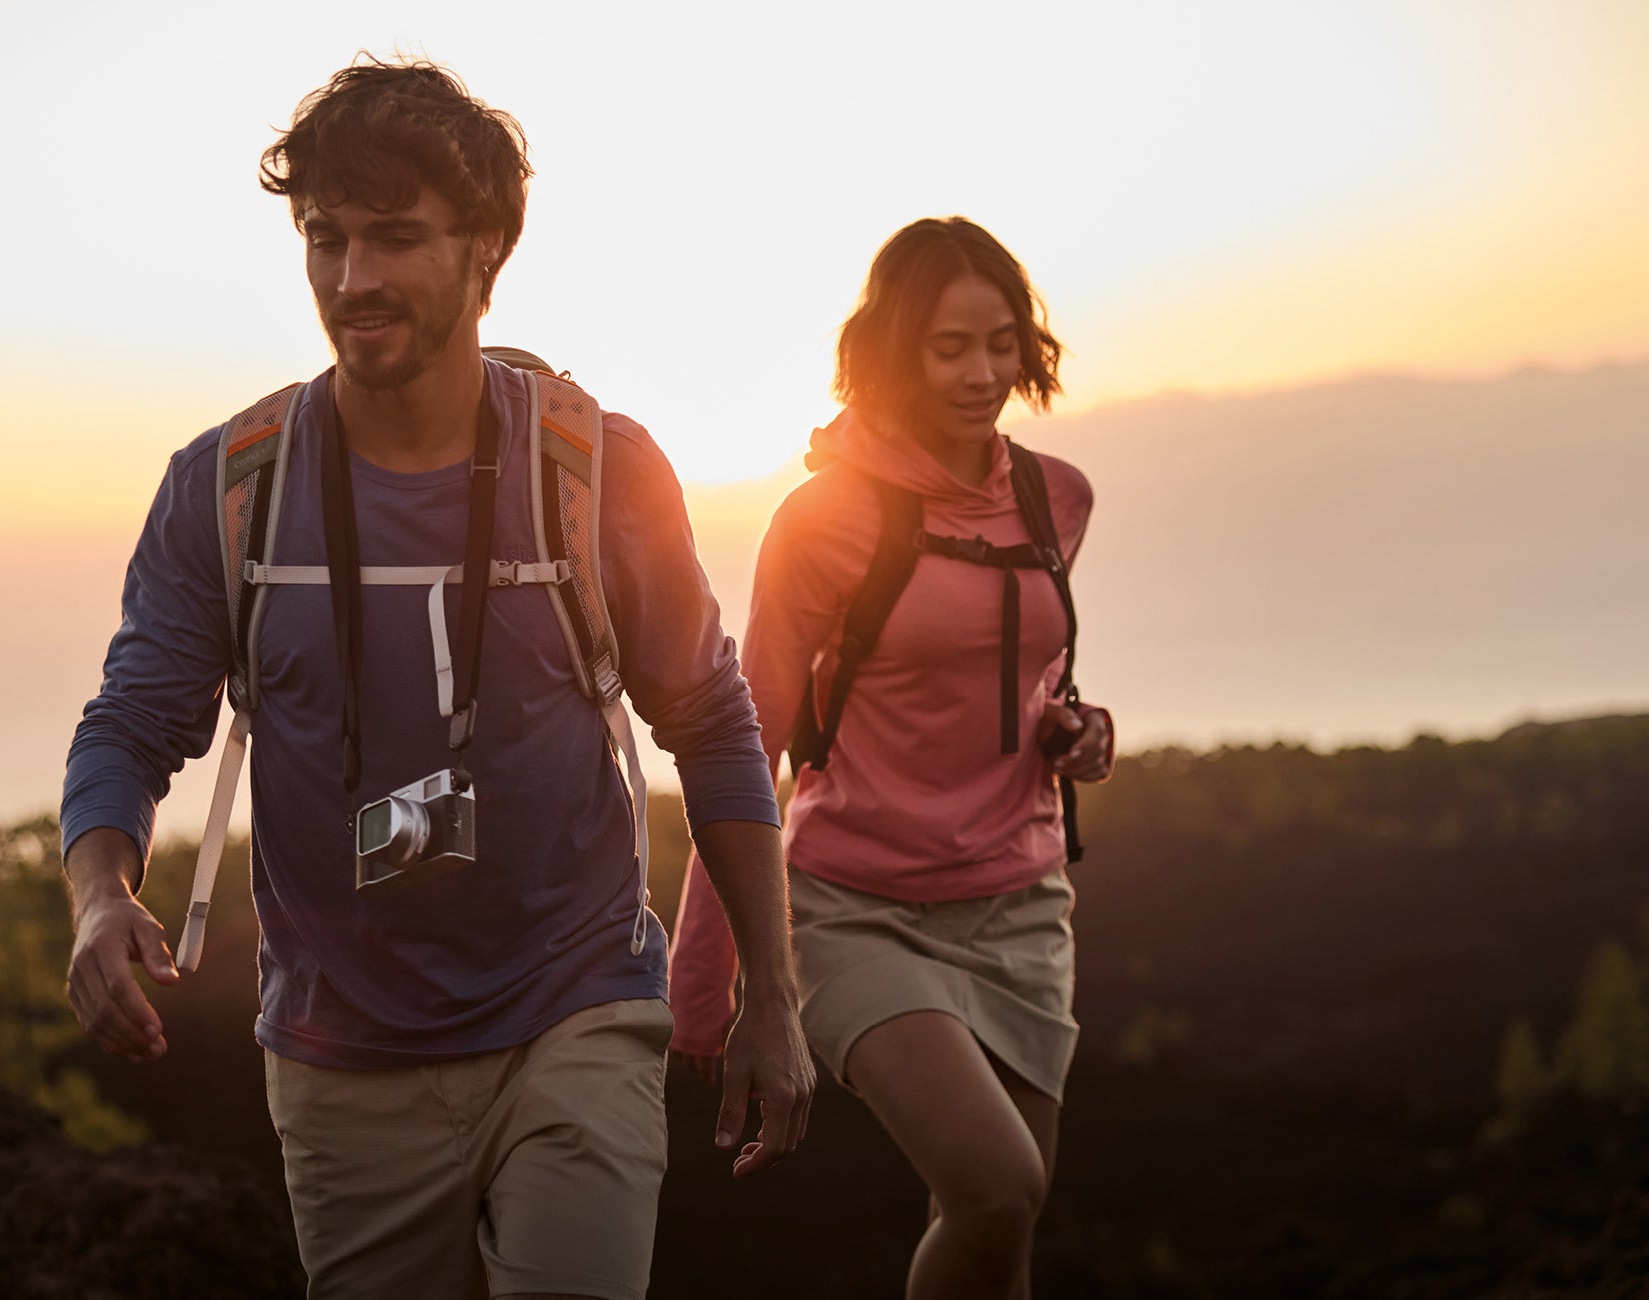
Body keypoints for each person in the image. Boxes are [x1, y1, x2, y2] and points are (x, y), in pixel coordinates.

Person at [59, 57, 814, 1300]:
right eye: (326, 239)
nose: (353, 281)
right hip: (338, 1054)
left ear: (487, 251)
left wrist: (772, 997)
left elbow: (711, 721)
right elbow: (133, 721)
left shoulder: (595, 468)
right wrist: (98, 894)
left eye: (396, 239)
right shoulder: (227, 486)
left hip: (576, 1004)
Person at [666, 217, 1115, 1300]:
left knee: (995, 1233)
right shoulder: (826, 520)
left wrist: (1075, 728)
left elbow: (1020, 678)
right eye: (949, 346)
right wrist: (703, 975)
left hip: (1019, 907)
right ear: (893, 349)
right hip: (853, 907)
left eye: (1000, 342)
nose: (982, 372)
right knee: (998, 1188)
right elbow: (749, 737)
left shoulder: (1057, 499)